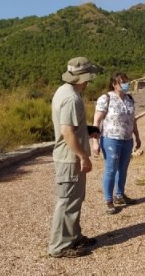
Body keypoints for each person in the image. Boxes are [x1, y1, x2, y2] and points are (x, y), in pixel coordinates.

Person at [49, 57, 99, 258]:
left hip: (69, 158)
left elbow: (72, 127)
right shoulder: (71, 98)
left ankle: (74, 237)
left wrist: (88, 129)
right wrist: (83, 156)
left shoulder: (64, 91)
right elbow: (67, 132)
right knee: (67, 201)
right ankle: (59, 247)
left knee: (74, 200)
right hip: (70, 159)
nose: (88, 83)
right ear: (82, 78)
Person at [92, 72, 141, 215]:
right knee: (111, 169)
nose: (126, 84)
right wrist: (95, 142)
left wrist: (137, 137)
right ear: (114, 84)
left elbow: (133, 120)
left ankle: (119, 195)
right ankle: (108, 200)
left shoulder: (129, 99)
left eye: (127, 81)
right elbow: (97, 121)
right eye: (123, 82)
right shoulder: (105, 98)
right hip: (110, 139)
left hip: (127, 140)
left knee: (123, 169)